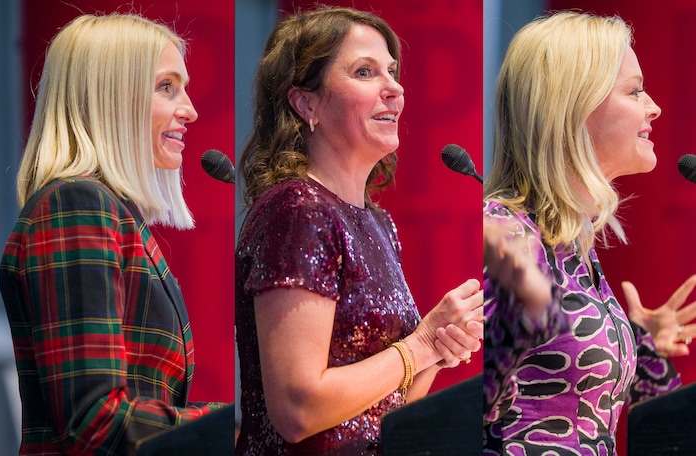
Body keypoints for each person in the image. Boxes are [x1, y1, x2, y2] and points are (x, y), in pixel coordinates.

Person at [235, 6, 483, 455]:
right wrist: (420, 346)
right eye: (365, 72)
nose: (395, 88)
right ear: (306, 103)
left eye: (391, 70)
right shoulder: (296, 211)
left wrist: (436, 348)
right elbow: (298, 410)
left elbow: (382, 411)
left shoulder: (378, 223)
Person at [0, 13, 226, 455]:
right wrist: (236, 426)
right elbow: (96, 419)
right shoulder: (77, 206)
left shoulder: (111, 211)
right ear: (112, 98)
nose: (191, 110)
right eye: (167, 87)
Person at [483, 11, 696, 455]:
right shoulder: (508, 235)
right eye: (634, 90)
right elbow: (472, 408)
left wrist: (636, 343)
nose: (653, 106)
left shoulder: (570, 241)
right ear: (573, 106)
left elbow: (627, 414)